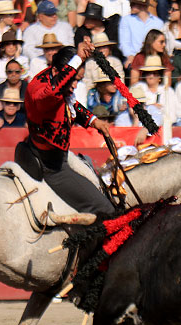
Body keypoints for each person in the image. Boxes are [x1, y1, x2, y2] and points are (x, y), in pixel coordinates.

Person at [15, 41, 114, 215]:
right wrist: (77, 59)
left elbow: (71, 103)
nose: (75, 85)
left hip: (58, 157)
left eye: (78, 80)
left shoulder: (58, 81)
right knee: (104, 209)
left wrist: (93, 121)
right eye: (74, 80)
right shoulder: (40, 88)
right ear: (55, 72)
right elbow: (53, 93)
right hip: (51, 168)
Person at [131, 54, 177, 124]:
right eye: (148, 73)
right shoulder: (138, 88)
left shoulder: (168, 91)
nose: (151, 76)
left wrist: (159, 111)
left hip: (163, 127)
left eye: (154, 73)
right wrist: (150, 107)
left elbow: (172, 115)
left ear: (159, 77)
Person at [118, 0, 164, 69]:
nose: (130, 6)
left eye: (133, 4)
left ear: (142, 6)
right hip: (133, 58)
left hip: (153, 57)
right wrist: (130, 56)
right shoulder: (126, 20)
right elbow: (124, 43)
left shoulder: (158, 22)